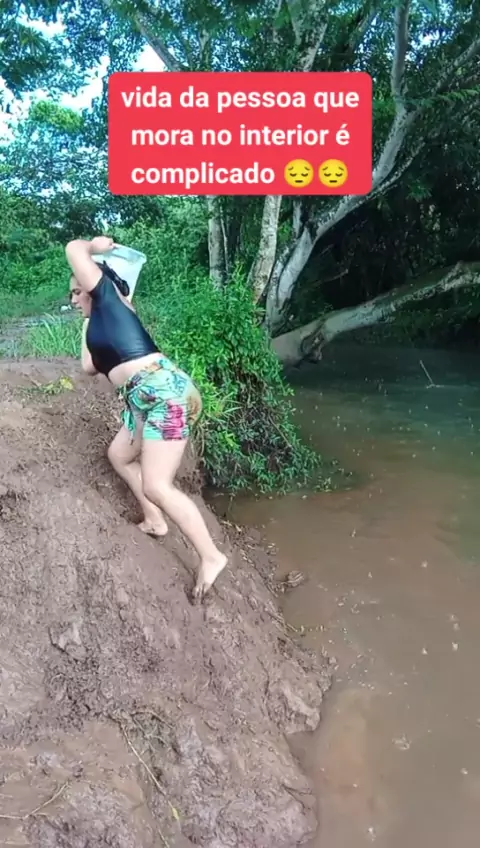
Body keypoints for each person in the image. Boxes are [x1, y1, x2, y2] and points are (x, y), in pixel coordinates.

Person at [66, 235, 227, 601]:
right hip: (144, 399)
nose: (73, 299)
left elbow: (74, 248)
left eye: (77, 292)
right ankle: (155, 520)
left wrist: (94, 245)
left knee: (157, 484)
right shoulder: (100, 319)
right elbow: (89, 366)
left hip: (165, 394)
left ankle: (211, 556)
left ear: (95, 284)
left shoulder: (109, 298)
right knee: (119, 455)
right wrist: (86, 321)